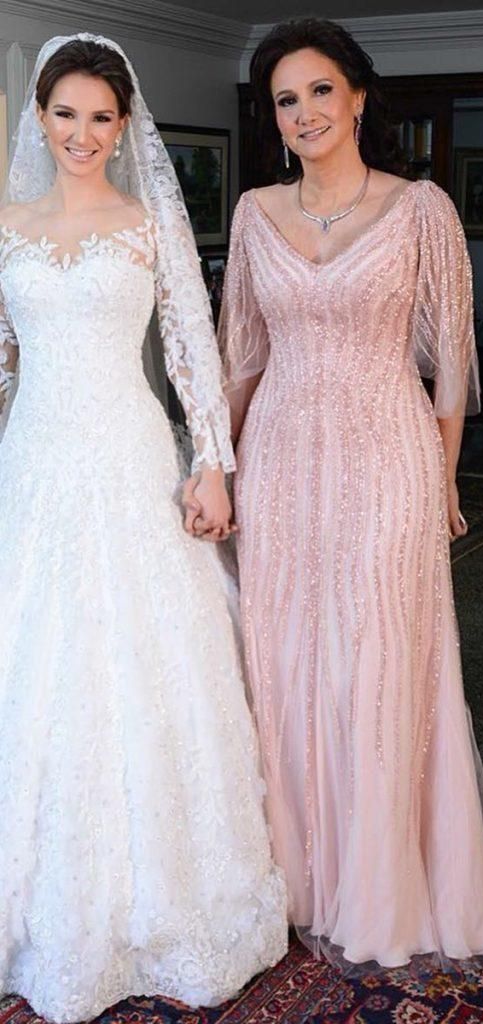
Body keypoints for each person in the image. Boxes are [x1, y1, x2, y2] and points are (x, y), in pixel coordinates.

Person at [0, 33, 287, 1024]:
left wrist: (211, 459)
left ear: (125, 129)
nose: (82, 132)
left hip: (127, 455)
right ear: (40, 117)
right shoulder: (4, 221)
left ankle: (160, 906)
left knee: (131, 659)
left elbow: (191, 345)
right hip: (32, 461)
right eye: (65, 113)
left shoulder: (146, 222)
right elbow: (2, 356)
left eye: (101, 116)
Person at [215, 18, 483, 973]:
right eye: (285, 100)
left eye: (319, 92)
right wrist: (214, 464)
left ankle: (381, 877)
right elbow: (240, 360)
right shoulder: (258, 212)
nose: (303, 113)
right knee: (286, 651)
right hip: (283, 459)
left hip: (388, 451)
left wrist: (439, 481)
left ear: (358, 97)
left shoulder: (422, 208)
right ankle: (298, 873)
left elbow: (452, 372)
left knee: (380, 648)